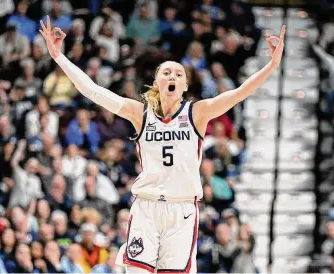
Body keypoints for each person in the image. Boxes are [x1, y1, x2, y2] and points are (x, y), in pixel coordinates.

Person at [39, 15, 286, 273]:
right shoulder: (140, 113)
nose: (172, 75)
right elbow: (93, 91)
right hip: (147, 206)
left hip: (182, 210)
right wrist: (59, 57)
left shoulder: (197, 113)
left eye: (178, 73)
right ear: (157, 83)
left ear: (184, 85)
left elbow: (239, 93)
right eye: (166, 72)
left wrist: (271, 65)